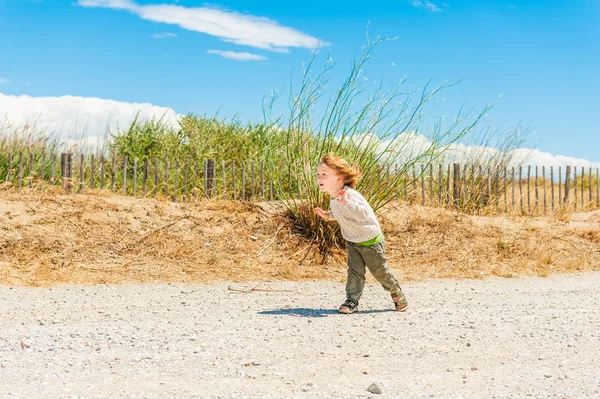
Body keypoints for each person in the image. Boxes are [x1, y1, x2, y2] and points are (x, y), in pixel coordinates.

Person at [313, 153, 408, 314]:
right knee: (354, 271)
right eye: (318, 175)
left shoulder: (350, 195)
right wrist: (328, 215)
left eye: (324, 175)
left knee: (379, 271)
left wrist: (346, 203)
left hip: (370, 241)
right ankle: (352, 300)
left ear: (339, 178)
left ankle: (395, 291)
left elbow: (360, 214)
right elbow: (341, 213)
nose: (319, 178)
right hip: (352, 241)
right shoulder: (334, 197)